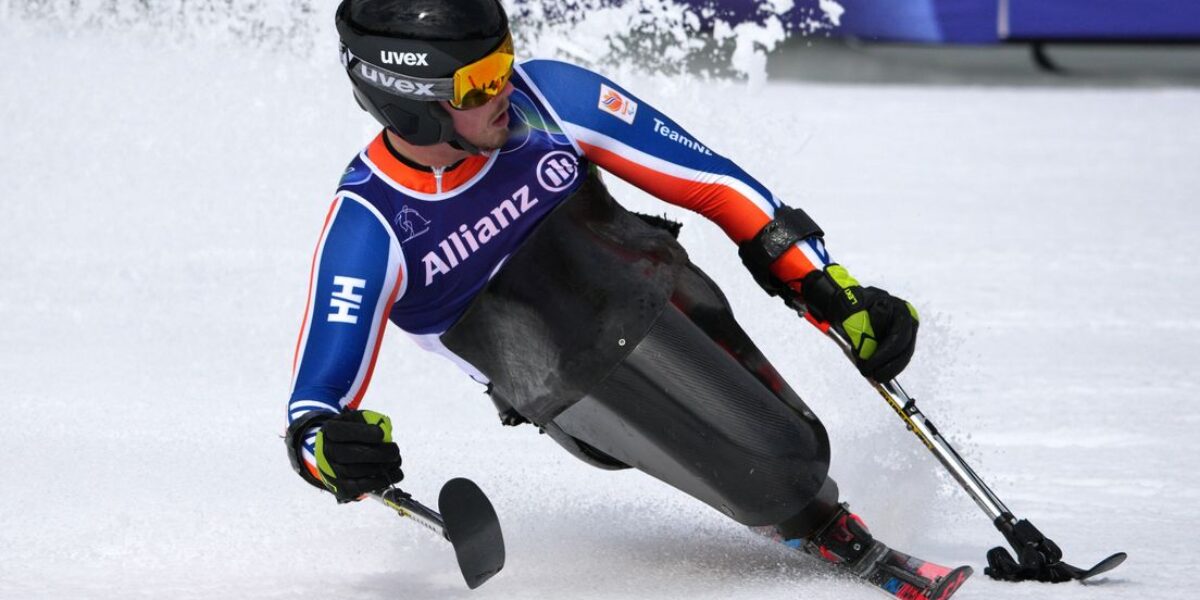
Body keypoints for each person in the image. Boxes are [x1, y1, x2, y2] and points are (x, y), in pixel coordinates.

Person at [284, 0, 965, 597]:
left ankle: (797, 496)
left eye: (504, 60)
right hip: (572, 384)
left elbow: (716, 185)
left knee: (795, 447)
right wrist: (333, 452)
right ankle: (792, 502)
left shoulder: (548, 99)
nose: (504, 89)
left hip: (661, 292)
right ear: (411, 100)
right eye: (479, 82)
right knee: (779, 469)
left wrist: (828, 287)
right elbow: (313, 409)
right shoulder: (369, 230)